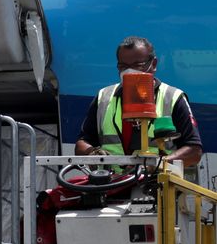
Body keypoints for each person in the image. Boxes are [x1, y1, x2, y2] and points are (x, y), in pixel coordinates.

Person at [74, 36, 202, 167]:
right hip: (112, 184)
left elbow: (194, 151)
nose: (129, 71)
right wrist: (92, 152)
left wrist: (158, 166)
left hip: (157, 184)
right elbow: (81, 144)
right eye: (123, 66)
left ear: (154, 64)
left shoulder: (172, 97)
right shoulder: (104, 97)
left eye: (137, 65)